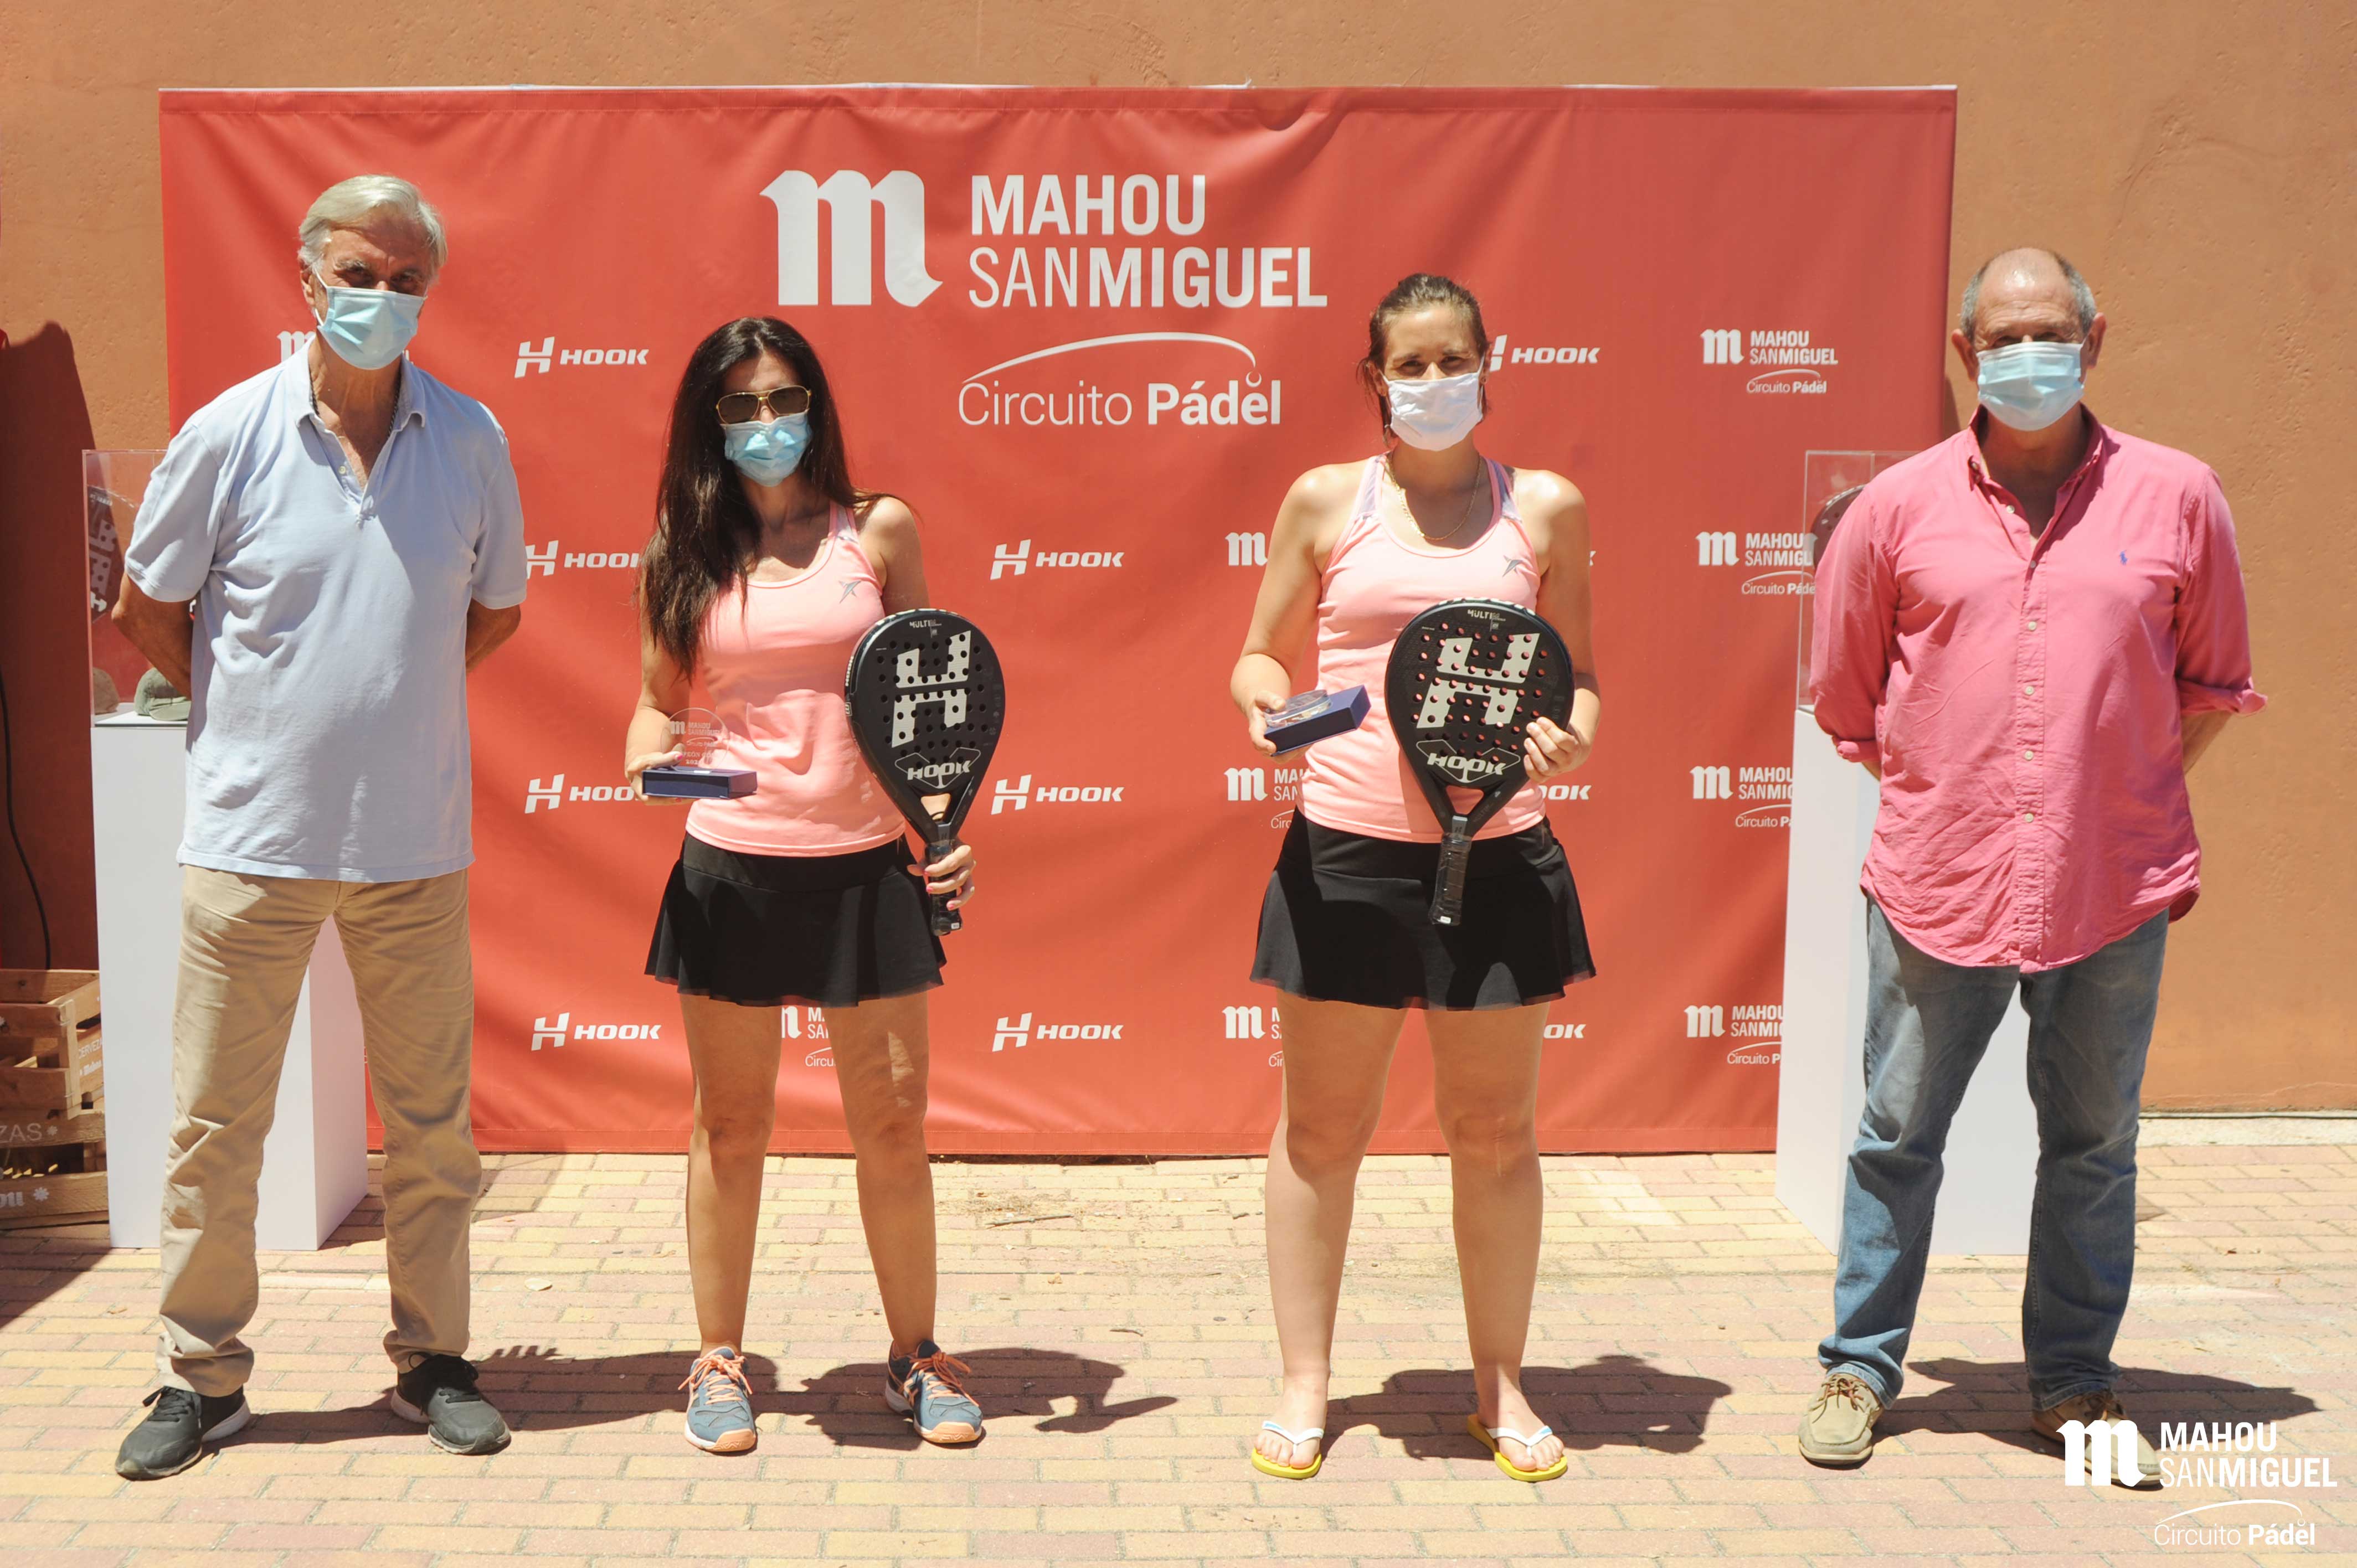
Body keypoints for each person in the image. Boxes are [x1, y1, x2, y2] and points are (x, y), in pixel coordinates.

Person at [1800, 248, 2265, 1482]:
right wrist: (1963, 798)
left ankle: (2073, 1382)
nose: (2027, 356)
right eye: (2002, 337)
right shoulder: (1895, 507)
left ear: (2094, 341)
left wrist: (2110, 792)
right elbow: (1849, 700)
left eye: (2049, 332)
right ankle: (1858, 1367)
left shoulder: (2180, 496)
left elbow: (2211, 684)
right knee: (1896, 1134)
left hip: (2114, 883)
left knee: (2094, 1145)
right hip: (1937, 882)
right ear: (1967, 354)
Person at [110, 174, 528, 1479]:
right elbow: (149, 607)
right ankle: (200, 1378)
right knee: (214, 1129)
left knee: (432, 1132)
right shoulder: (229, 432)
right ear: (307, 279)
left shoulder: (471, 439)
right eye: (359, 274)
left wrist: (384, 705)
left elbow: (494, 611)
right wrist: (262, 719)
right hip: (250, 844)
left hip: (413, 848)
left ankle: (434, 1362)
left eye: (407, 280)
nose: (381, 299)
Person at [1228, 274, 1601, 1483]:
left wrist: (1573, 736)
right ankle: (1305, 1383)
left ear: (1491, 363)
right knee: (1321, 1131)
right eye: (1411, 365)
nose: (1434, 382)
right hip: (1345, 855)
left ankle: (1500, 1382)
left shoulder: (1544, 510)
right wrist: (1268, 710)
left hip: (1500, 857)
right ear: (1375, 379)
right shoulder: (1325, 501)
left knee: (1493, 1135)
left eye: (1454, 360)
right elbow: (1258, 656)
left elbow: (1581, 678)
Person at [626, 317, 982, 1456]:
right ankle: (719, 1360)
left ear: (815, 406)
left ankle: (917, 1355)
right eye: (741, 406)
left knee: (894, 1122)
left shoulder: (877, 531)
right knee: (730, 1125)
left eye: (784, 398)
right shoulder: (681, 551)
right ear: (711, 424)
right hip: (730, 868)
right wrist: (650, 760)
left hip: (867, 865)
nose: (767, 422)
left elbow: (931, 700)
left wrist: (942, 829)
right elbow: (654, 706)